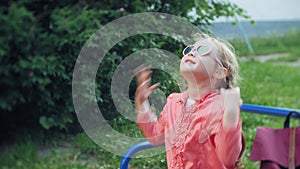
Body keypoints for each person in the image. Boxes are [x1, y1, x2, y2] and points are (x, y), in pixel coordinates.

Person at [134, 33, 244, 169]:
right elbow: (157, 136)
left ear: (219, 72)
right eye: (189, 50)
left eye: (202, 50)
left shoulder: (220, 106)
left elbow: (228, 159)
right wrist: (142, 104)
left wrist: (231, 115)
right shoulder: (173, 102)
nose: (191, 53)